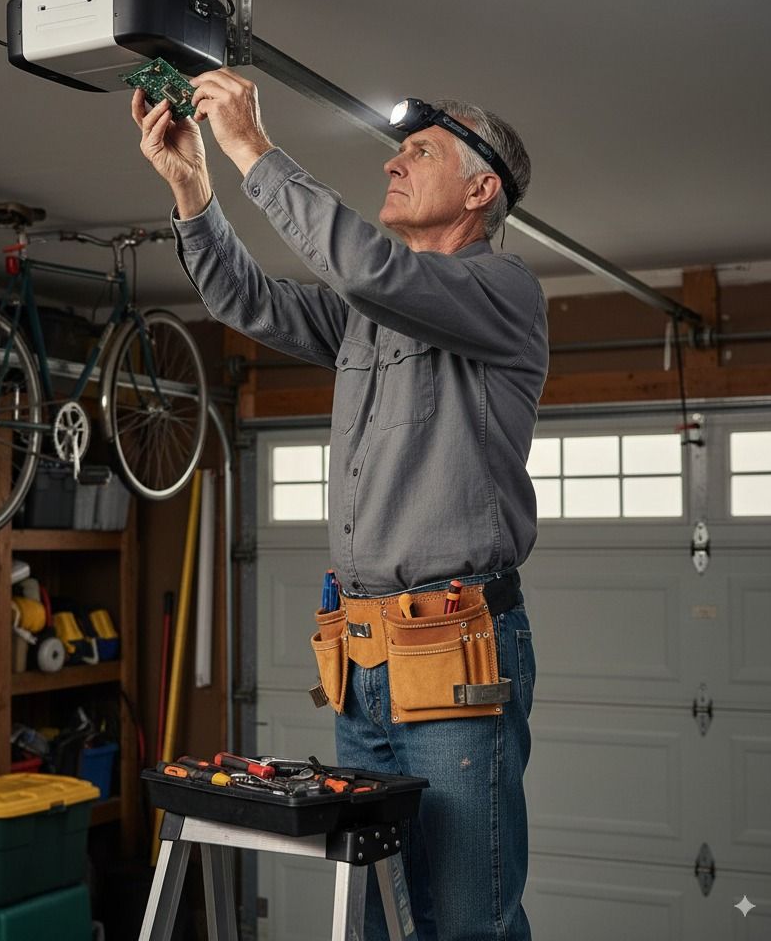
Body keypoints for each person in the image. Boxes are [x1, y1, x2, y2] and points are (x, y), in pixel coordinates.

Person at [132, 69, 547, 941]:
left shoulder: (504, 293)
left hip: (456, 656)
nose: (394, 164)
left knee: (464, 920)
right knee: (371, 918)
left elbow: (370, 269)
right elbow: (244, 299)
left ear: (480, 191)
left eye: (420, 152)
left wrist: (252, 146)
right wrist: (196, 189)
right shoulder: (370, 314)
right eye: (397, 151)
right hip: (363, 662)